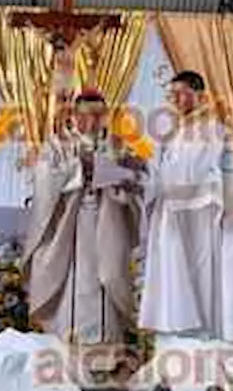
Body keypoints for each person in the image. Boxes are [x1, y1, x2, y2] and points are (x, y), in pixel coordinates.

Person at [23, 89, 143, 353]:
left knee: (109, 275)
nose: (92, 122)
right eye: (86, 115)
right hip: (71, 224)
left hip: (108, 221)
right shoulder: (57, 145)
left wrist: (117, 174)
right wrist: (78, 168)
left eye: (99, 115)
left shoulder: (118, 145)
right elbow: (44, 179)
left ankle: (108, 347)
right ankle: (69, 346)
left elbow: (136, 179)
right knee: (75, 280)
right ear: (74, 116)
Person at [138, 70, 233, 344]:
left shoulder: (214, 129)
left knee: (199, 272)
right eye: (171, 94)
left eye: (181, 93)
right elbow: (160, 171)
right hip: (171, 211)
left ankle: (201, 336)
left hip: (199, 209)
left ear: (199, 95)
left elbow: (202, 170)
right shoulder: (173, 131)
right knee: (172, 272)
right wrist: (139, 173)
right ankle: (174, 331)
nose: (175, 99)